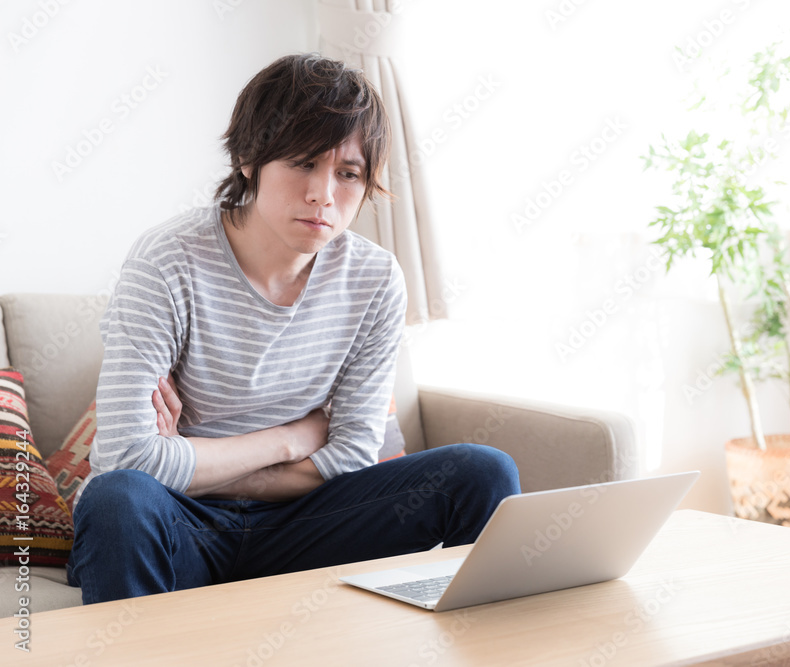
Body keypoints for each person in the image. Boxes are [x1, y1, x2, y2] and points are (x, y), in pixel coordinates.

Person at [66, 53, 520, 605]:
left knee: (482, 473)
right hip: (179, 523)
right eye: (303, 163)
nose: (324, 195)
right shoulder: (166, 261)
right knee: (118, 500)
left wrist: (191, 458)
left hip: (307, 523)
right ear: (249, 159)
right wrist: (293, 438)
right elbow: (128, 459)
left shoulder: (374, 279)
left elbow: (352, 454)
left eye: (348, 173)